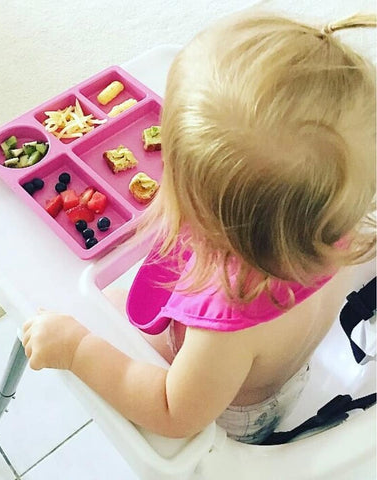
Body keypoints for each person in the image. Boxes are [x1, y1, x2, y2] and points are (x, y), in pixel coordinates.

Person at [22, 12, 376, 444]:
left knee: (92, 311)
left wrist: (76, 350)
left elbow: (172, 412)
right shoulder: (331, 225)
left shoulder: (227, 324)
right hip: (274, 372)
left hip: (228, 417)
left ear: (216, 221)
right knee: (111, 301)